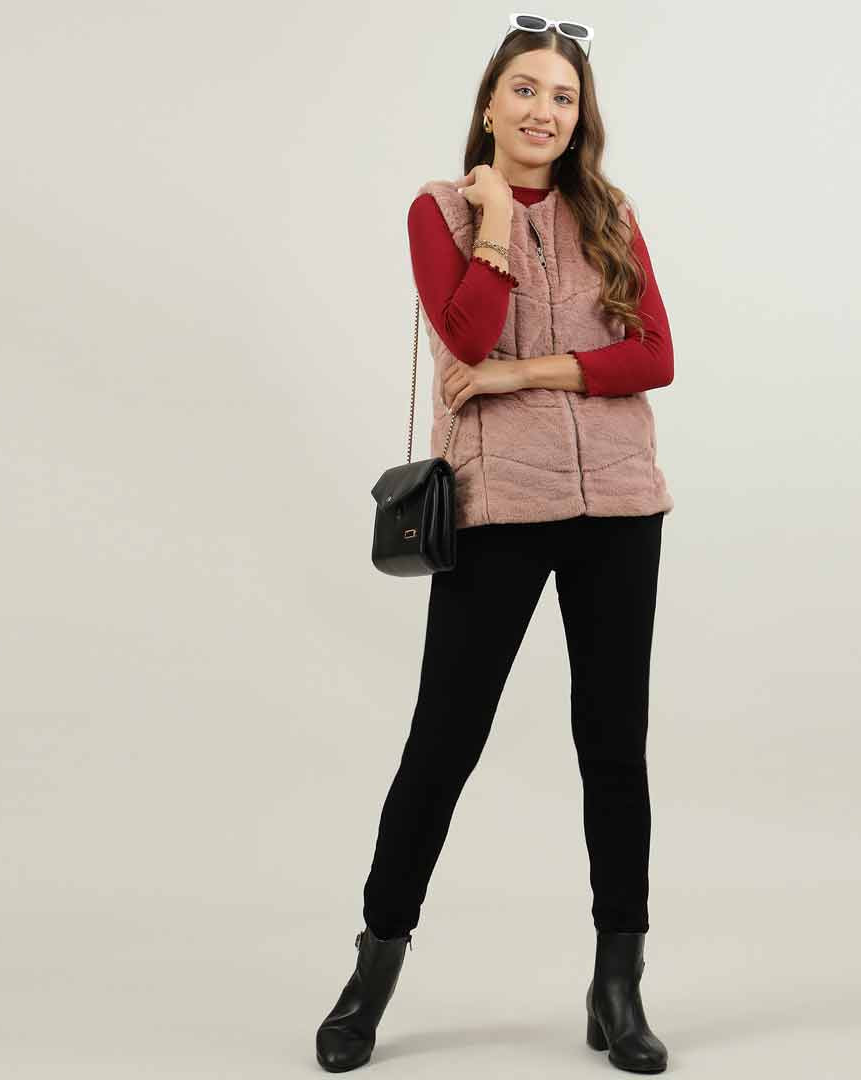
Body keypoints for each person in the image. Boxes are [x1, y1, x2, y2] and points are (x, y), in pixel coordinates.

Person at [317, 16, 675, 1074]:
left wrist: (525, 375)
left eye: (563, 97)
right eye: (525, 90)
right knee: (445, 739)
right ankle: (371, 972)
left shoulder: (610, 212)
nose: (543, 111)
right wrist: (494, 223)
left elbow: (654, 355)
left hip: (621, 505)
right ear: (489, 104)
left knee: (613, 745)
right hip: (499, 506)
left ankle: (617, 989)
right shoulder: (438, 210)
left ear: (580, 117)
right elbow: (467, 333)